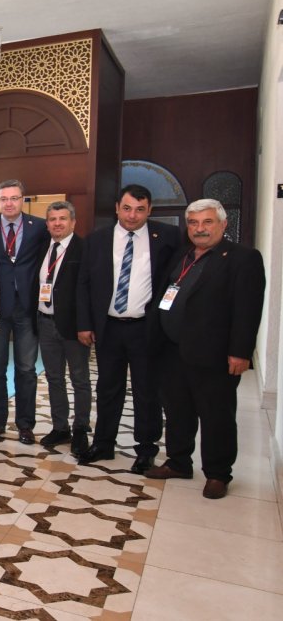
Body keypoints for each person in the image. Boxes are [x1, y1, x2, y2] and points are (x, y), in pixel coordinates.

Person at [144, 199, 265, 499]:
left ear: (223, 224)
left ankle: (218, 473)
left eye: (207, 222)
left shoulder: (243, 258)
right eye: (194, 223)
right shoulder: (182, 255)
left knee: (216, 415)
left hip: (213, 353)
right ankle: (178, 462)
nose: (200, 229)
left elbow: (248, 309)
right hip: (172, 350)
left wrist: (241, 351)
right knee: (177, 410)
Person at [76, 184, 180, 473]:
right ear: (117, 208)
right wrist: (84, 324)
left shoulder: (168, 237)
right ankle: (103, 443)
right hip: (108, 327)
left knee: (147, 390)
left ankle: (146, 449)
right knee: (108, 388)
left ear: (149, 210)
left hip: (146, 328)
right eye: (127, 208)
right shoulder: (97, 239)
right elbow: (84, 284)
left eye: (140, 210)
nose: (132, 215)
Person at [0, 179, 48, 444]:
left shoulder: (39, 227)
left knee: (26, 369)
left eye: (14, 198)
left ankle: (25, 425)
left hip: (27, 306)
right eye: (4, 199)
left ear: (22, 200)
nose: (9, 203)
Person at [33, 201, 91, 455]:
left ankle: (81, 429)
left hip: (74, 326)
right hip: (45, 322)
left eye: (63, 218)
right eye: (53, 219)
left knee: (79, 379)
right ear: (47, 224)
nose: (57, 223)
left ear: (73, 222)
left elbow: (89, 290)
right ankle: (60, 427)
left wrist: (86, 325)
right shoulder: (42, 248)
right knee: (54, 377)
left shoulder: (84, 249)